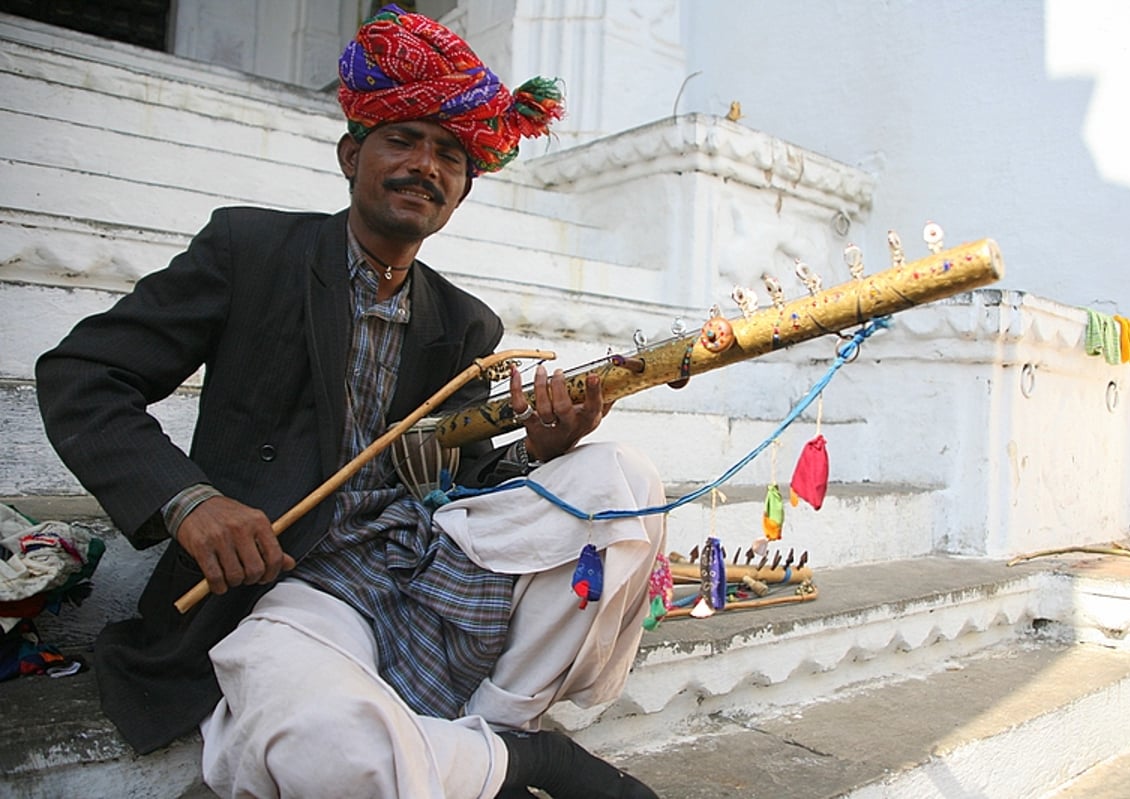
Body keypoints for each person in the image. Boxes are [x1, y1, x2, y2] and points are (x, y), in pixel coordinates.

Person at [36, 7, 665, 798]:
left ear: (461, 193)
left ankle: (497, 723)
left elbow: (467, 477)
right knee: (325, 747)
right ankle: (525, 761)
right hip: (299, 583)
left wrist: (540, 452)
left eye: (448, 154)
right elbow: (82, 375)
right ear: (350, 154)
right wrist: (190, 501)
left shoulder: (468, 322)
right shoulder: (251, 251)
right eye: (402, 139)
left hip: (428, 564)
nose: (425, 166)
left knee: (622, 478)